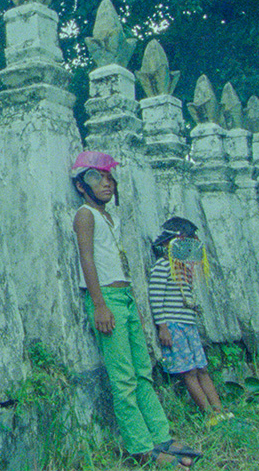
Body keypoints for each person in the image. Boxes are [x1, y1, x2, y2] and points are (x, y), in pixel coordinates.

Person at [71, 151, 200, 468]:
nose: (107, 183)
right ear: (81, 185)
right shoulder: (85, 215)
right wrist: (100, 305)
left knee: (143, 372)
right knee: (124, 379)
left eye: (109, 178)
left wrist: (134, 307)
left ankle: (161, 438)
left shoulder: (109, 217)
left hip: (125, 297)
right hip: (107, 300)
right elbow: (86, 259)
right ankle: (142, 449)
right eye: (98, 177)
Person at [148, 217, 232, 427]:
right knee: (190, 372)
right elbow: (156, 298)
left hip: (188, 326)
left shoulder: (183, 268)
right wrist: (163, 327)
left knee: (202, 369)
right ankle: (208, 415)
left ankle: (220, 410)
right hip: (174, 327)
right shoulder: (163, 266)